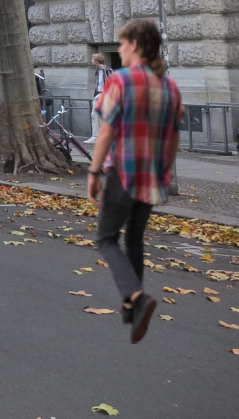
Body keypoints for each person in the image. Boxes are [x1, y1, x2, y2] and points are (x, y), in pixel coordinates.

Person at [88, 18, 182, 344]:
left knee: (106, 237)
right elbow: (172, 138)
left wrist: (93, 172)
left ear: (137, 46)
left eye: (123, 44)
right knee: (135, 237)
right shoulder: (168, 85)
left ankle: (137, 298)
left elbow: (107, 131)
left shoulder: (121, 81)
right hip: (152, 175)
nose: (120, 49)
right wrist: (166, 174)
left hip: (123, 172)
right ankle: (132, 306)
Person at [87, 53, 112, 144]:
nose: (91, 61)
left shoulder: (108, 70)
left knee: (97, 115)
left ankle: (97, 136)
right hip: (99, 94)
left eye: (93, 59)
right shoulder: (96, 71)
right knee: (97, 116)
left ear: (96, 60)